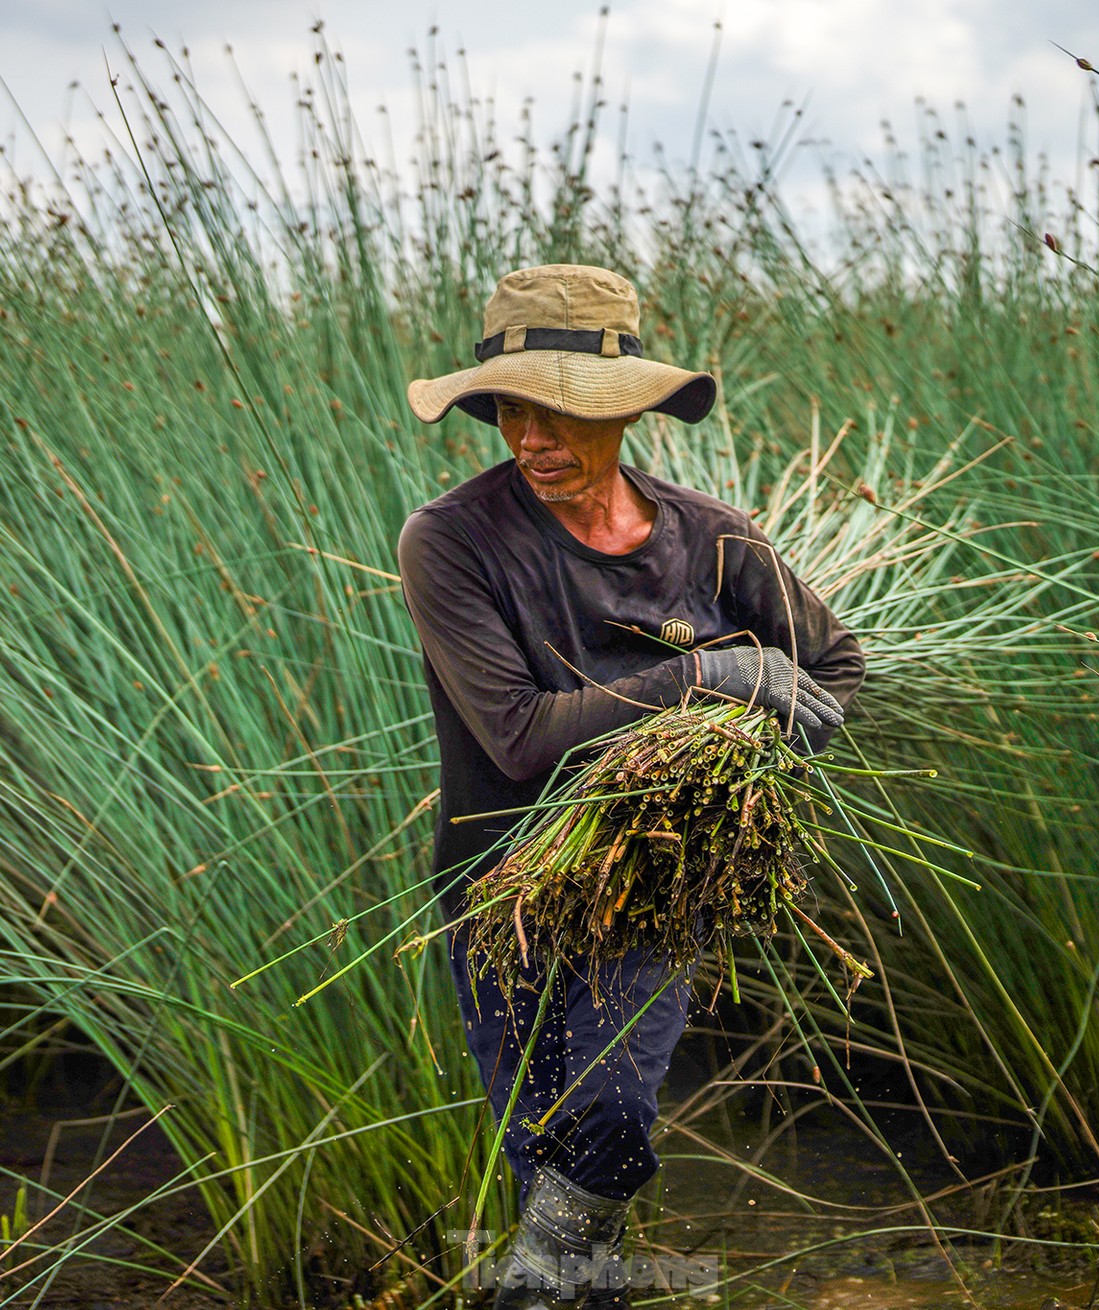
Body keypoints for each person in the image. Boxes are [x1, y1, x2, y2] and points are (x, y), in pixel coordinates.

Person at [398, 264, 864, 1309]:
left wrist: (749, 757)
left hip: (653, 879)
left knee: (608, 1113)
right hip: (504, 881)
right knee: (543, 1146)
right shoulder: (452, 540)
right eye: (509, 410)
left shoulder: (709, 533)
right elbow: (521, 740)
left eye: (557, 411)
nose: (530, 438)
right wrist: (708, 672)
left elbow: (832, 668)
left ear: (622, 409)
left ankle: (529, 1289)